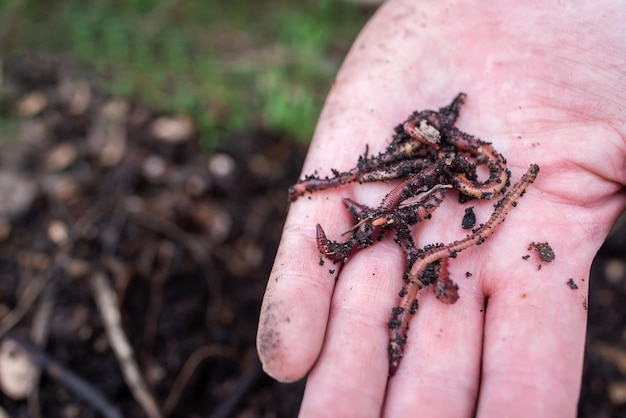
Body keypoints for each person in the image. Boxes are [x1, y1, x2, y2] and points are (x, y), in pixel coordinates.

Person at [256, 0, 626, 416]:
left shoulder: (470, 171)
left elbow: (485, 182)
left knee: (409, 221)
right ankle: (367, 246)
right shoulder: (433, 159)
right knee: (394, 208)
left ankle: (395, 316)